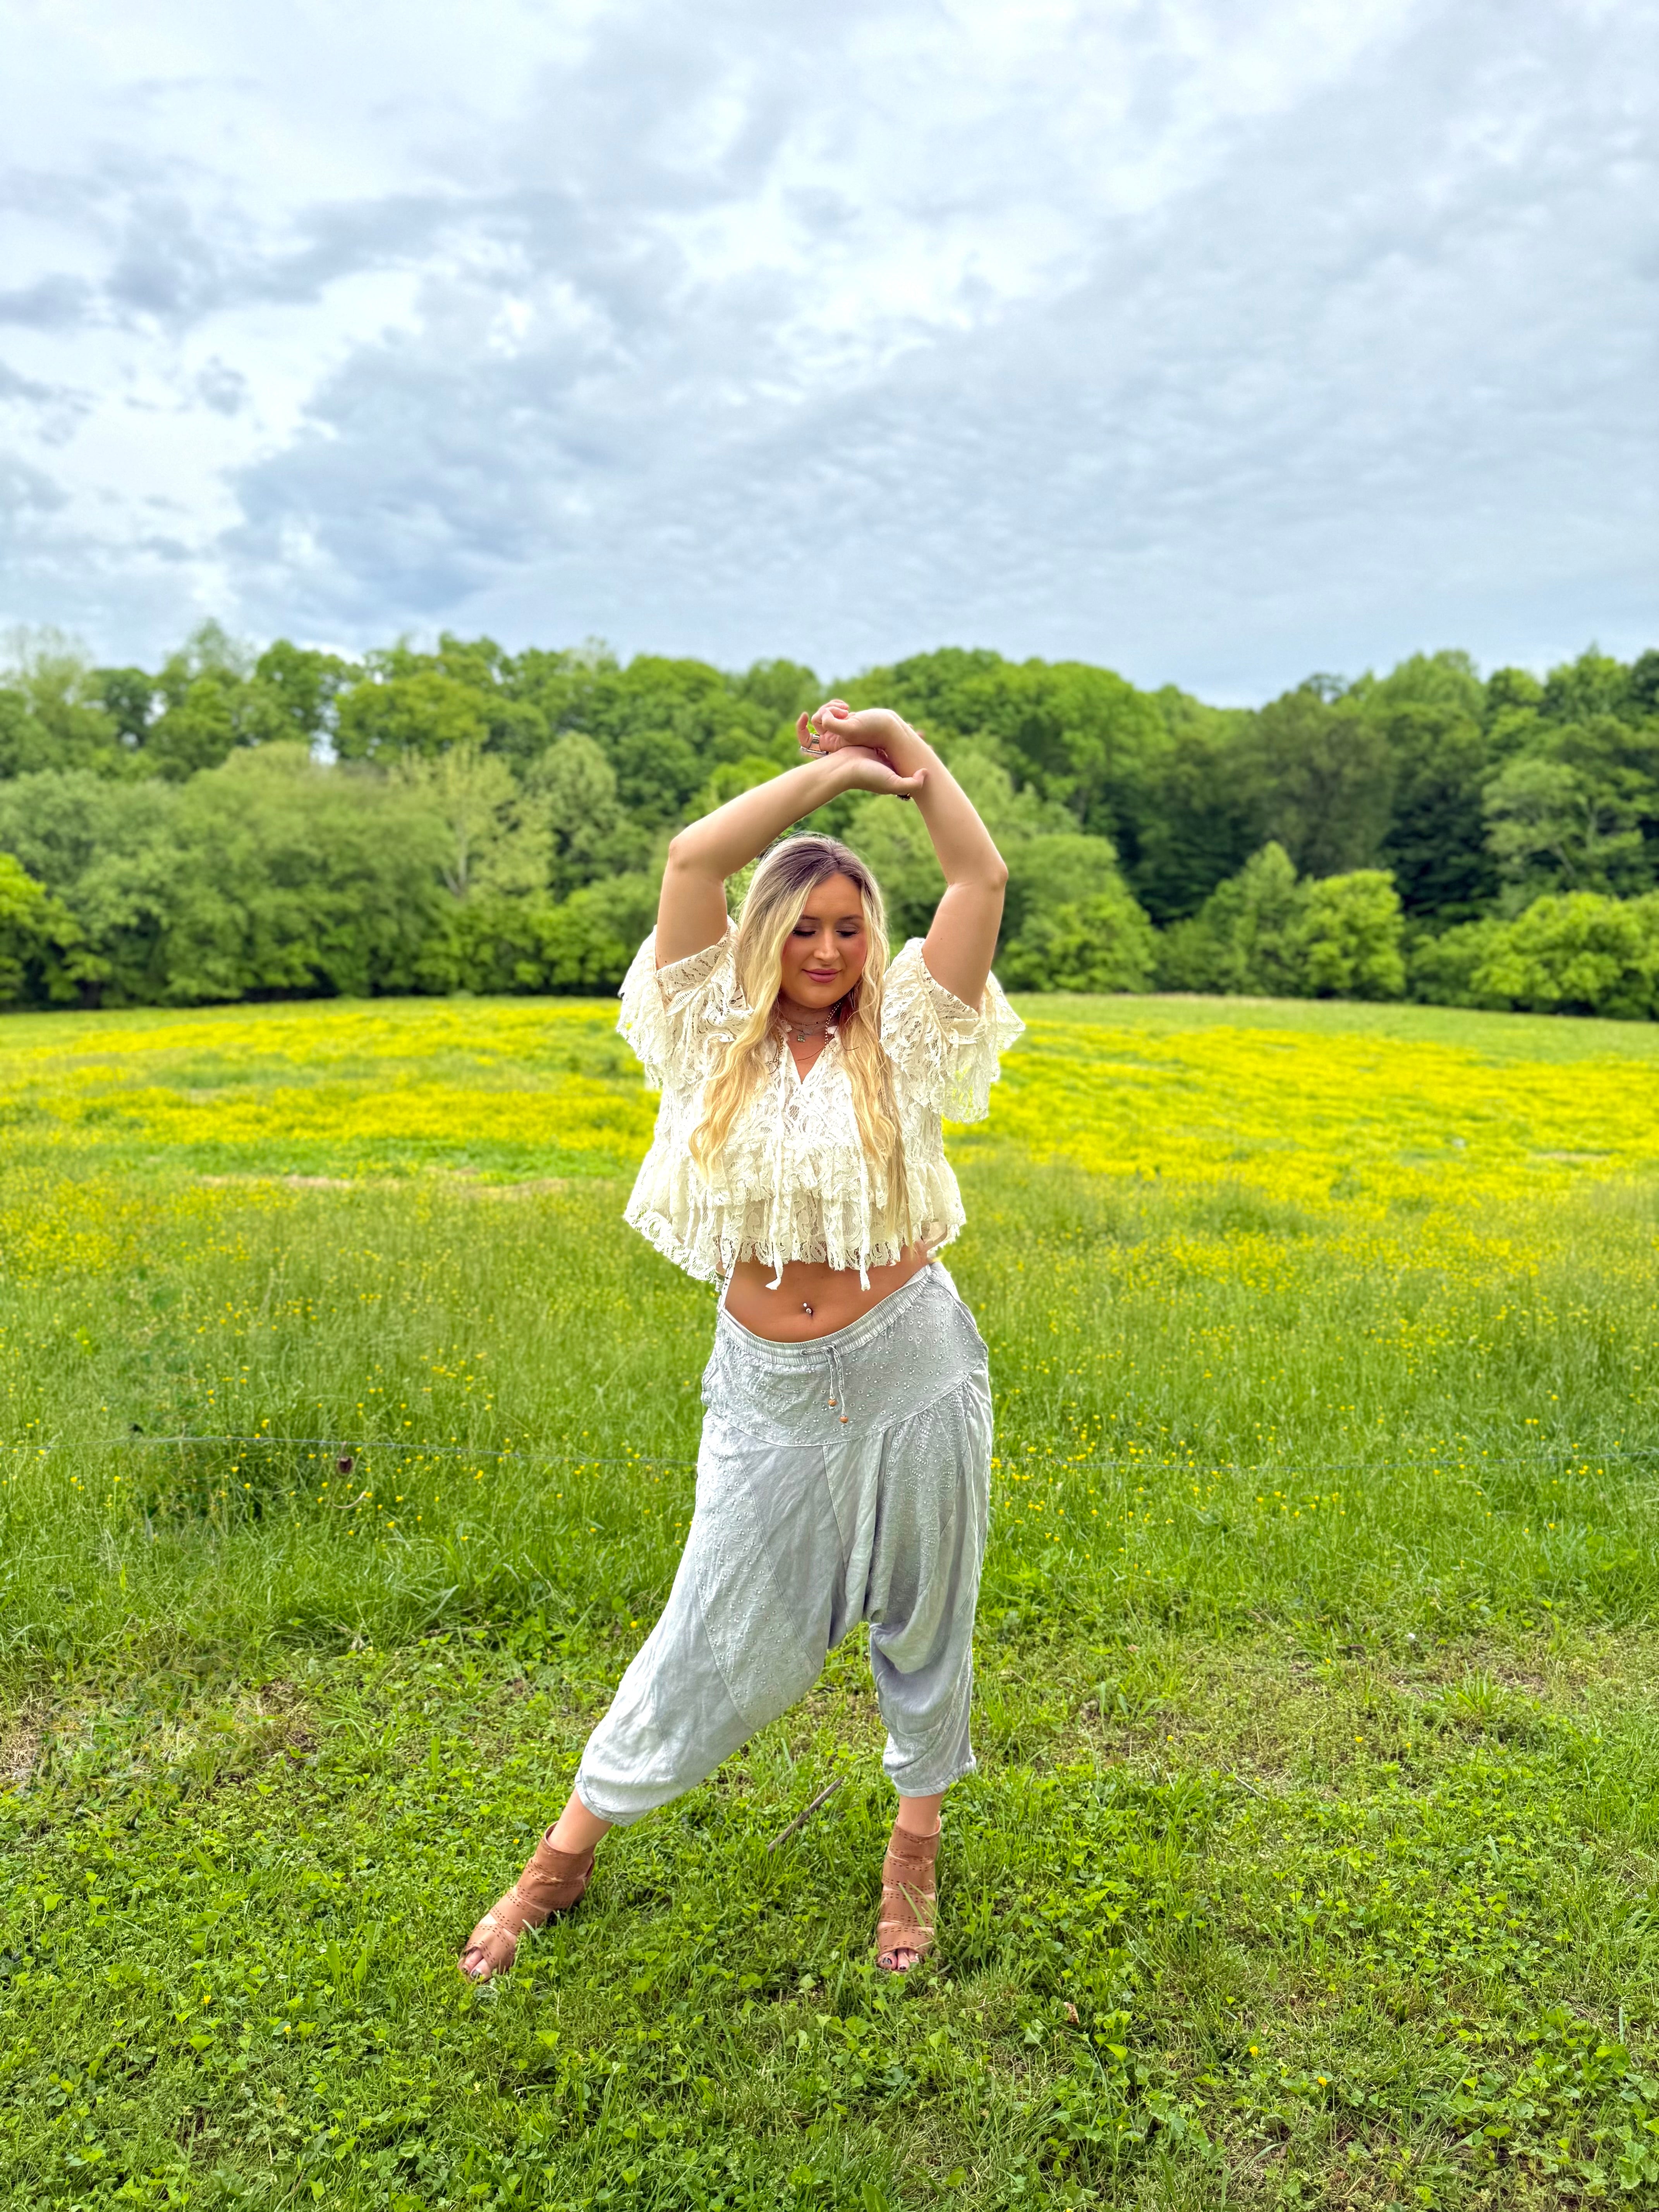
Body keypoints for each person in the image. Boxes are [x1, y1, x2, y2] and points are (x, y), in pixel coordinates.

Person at [459, 699, 1022, 1982]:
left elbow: (978, 874)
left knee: (926, 1620)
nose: (826, 949)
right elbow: (691, 861)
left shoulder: (912, 1032)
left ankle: (912, 1855)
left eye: (847, 928)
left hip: (912, 1365)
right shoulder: (706, 1025)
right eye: (805, 925)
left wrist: (908, 758)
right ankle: (564, 1856)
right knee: (709, 1618)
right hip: (767, 1383)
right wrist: (823, 782)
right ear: (768, 932)